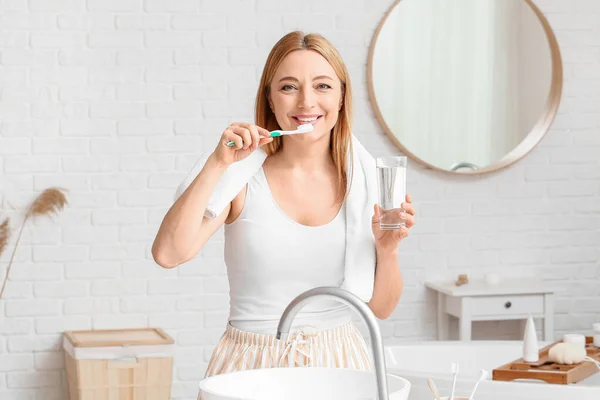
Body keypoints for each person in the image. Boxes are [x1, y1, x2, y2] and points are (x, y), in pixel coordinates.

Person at [151, 31, 416, 378]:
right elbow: (168, 254)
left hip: (340, 365)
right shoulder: (241, 178)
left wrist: (388, 249)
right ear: (271, 100)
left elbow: (381, 307)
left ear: (341, 98)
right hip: (250, 365)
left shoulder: (365, 183)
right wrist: (218, 163)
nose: (306, 103)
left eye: (322, 86)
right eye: (289, 87)